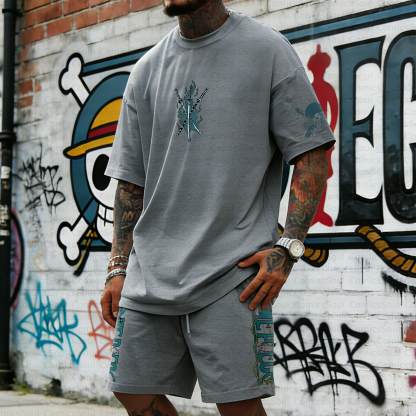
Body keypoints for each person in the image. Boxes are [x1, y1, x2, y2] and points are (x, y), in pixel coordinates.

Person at [100, 0, 335, 415]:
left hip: (233, 275)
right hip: (149, 275)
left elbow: (312, 153)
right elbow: (130, 182)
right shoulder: (146, 70)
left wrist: (289, 248)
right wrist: (117, 266)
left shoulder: (267, 50)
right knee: (131, 391)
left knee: (239, 408)